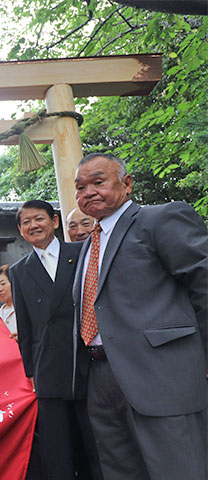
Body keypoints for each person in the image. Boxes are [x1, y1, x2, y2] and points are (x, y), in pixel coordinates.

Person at [73, 152, 208, 480]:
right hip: (100, 375)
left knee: (178, 469)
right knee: (121, 470)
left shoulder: (159, 219)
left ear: (127, 183)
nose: (87, 192)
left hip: (162, 373)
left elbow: (203, 281)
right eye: (79, 187)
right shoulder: (88, 244)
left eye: (98, 182)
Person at [9, 200, 101, 480]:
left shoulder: (83, 252)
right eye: (26, 222)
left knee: (96, 442)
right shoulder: (18, 270)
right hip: (47, 369)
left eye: (39, 218)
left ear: (55, 222)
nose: (33, 225)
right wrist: (31, 372)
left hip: (88, 361)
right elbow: (25, 328)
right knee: (58, 448)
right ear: (21, 230)